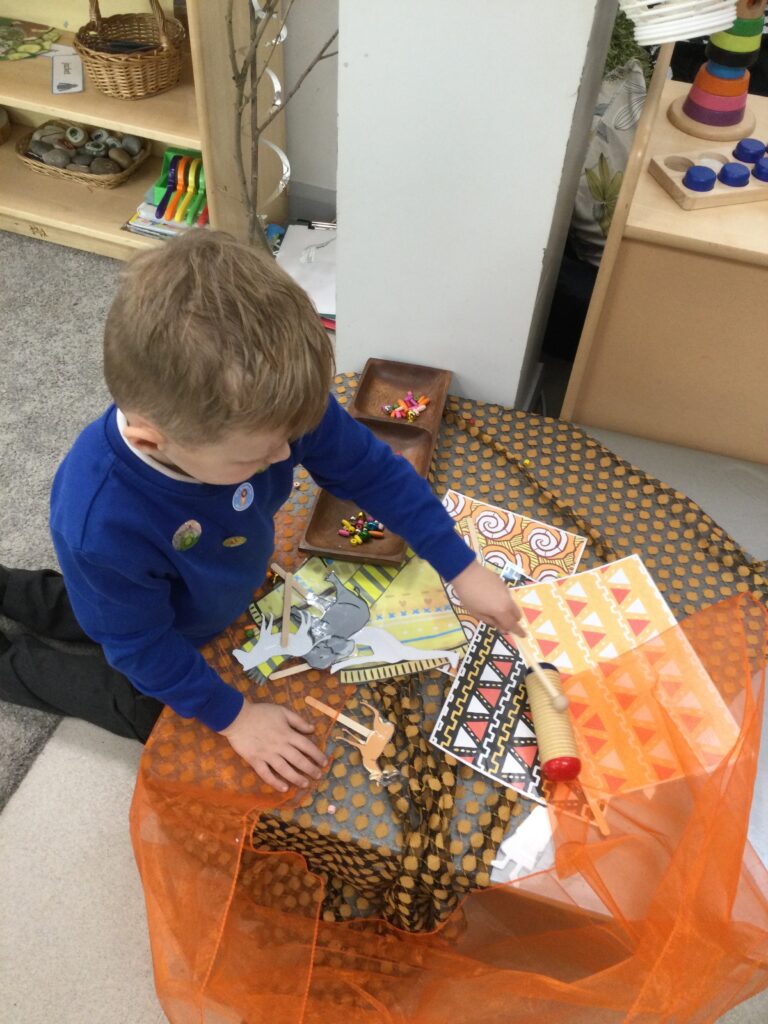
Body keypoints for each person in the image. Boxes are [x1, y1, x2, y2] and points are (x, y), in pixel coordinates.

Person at [0, 230, 524, 793]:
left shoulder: (276, 410)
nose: (284, 457)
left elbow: (370, 470)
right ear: (154, 441)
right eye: (256, 456)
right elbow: (138, 647)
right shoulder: (99, 524)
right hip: (157, 618)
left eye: (291, 438)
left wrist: (460, 565)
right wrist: (235, 718)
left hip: (198, 591)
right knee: (134, 690)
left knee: (102, 606)